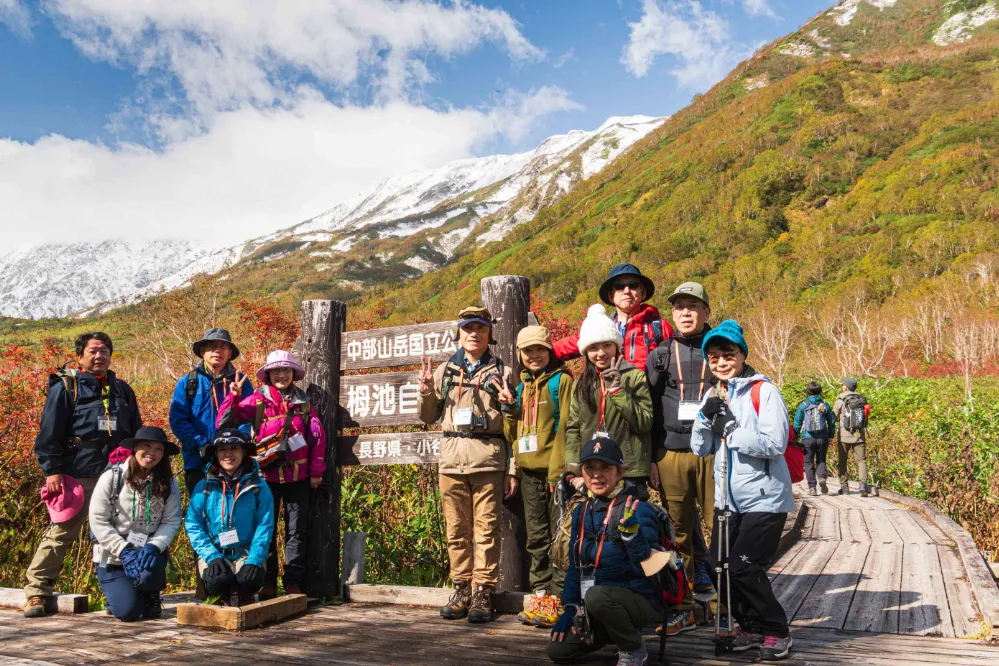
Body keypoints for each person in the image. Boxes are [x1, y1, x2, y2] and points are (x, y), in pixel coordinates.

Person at [690, 320, 794, 662]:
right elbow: (700, 448)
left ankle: (777, 632)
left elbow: (775, 444)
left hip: (765, 499)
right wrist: (704, 420)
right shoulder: (712, 393)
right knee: (716, 565)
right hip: (726, 501)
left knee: (743, 568)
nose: (721, 362)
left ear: (742, 354)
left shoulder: (763, 391)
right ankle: (749, 627)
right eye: (714, 356)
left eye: (728, 354)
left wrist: (730, 428)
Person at [24, 332, 142, 618]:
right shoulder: (67, 388)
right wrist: (52, 471)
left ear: (110, 355)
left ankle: (119, 595)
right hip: (77, 474)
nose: (99, 356)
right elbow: (48, 433)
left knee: (115, 535)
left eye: (104, 351)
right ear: (80, 356)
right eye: (92, 351)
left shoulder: (123, 390)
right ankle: (36, 592)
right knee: (62, 531)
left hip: (117, 476)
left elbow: (137, 434)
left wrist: (138, 470)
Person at [417, 306, 518, 624]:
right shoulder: (444, 370)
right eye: (468, 328)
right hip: (451, 461)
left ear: (489, 333)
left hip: (488, 460)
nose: (474, 333)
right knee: (456, 531)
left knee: (487, 531)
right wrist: (425, 392)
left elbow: (515, 427)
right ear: (459, 333)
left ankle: (483, 593)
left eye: (481, 328)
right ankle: (461, 589)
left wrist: (511, 468)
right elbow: (428, 416)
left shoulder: (503, 371)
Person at [217, 350, 326, 599]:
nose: (281, 374)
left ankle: (293, 581)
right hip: (265, 479)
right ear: (267, 375)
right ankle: (268, 581)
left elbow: (317, 439)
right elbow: (223, 424)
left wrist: (316, 471)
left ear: (292, 374)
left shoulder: (304, 403)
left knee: (297, 531)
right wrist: (232, 398)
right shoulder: (257, 400)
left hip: (298, 478)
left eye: (286, 370)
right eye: (276, 370)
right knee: (265, 529)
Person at [546, 436, 662, 666]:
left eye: (605, 467)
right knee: (558, 651)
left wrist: (633, 538)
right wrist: (570, 608)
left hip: (638, 602)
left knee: (596, 596)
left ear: (619, 472)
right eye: (590, 468)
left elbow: (652, 568)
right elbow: (575, 569)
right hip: (598, 605)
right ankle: (612, 632)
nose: (597, 475)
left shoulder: (635, 508)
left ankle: (633, 648)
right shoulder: (581, 511)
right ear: (582, 473)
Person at [646, 282, 715, 634]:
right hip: (671, 452)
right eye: (678, 307)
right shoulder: (659, 354)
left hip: (714, 454)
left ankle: (726, 604)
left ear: (706, 312)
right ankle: (685, 605)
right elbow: (651, 411)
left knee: (722, 527)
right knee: (679, 533)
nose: (685, 313)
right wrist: (654, 459)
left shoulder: (720, 351)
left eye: (692, 306)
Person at [504, 326, 574, 628]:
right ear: (520, 355)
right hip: (529, 473)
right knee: (536, 538)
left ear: (550, 351)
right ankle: (541, 594)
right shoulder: (521, 387)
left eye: (540, 349)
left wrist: (560, 472)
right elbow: (514, 434)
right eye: (528, 351)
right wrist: (509, 409)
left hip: (554, 474)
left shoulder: (562, 382)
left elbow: (568, 429)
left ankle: (559, 600)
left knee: (560, 538)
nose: (534, 355)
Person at [89, 426, 182, 621]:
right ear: (135, 448)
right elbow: (98, 521)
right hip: (113, 557)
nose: (152, 453)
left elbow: (171, 520)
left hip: (147, 553)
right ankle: (121, 595)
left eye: (159, 449)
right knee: (128, 612)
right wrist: (124, 550)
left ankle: (150, 592)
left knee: (148, 581)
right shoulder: (112, 478)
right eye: (147, 446)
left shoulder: (169, 483)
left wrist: (154, 547)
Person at [565, 304, 653, 491]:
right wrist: (573, 469)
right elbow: (573, 428)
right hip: (593, 470)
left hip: (628, 470)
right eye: (594, 347)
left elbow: (644, 423)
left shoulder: (634, 376)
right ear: (585, 351)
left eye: (607, 345)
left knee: (629, 520)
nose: (601, 353)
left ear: (616, 346)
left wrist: (617, 391)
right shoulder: (581, 384)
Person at [184, 428, 275, 607]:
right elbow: (193, 524)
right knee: (217, 579)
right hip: (216, 552)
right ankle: (223, 593)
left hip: (245, 552)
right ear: (216, 454)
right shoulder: (204, 486)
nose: (228, 454)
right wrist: (211, 556)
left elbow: (265, 526)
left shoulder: (259, 487)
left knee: (251, 578)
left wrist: (254, 559)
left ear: (243, 452)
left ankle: (242, 592)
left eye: (234, 448)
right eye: (222, 450)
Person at [553, 264, 674, 370]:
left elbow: (675, 361)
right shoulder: (603, 326)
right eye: (619, 286)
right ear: (611, 296)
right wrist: (541, 349)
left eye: (633, 285)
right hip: (611, 393)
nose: (626, 290)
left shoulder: (659, 326)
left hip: (649, 395)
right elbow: (570, 344)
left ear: (643, 294)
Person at [793, 382, 835, 496]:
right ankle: (822, 478)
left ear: (808, 391)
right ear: (820, 391)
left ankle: (812, 488)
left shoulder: (803, 405)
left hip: (807, 438)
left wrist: (795, 436)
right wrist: (831, 435)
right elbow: (831, 421)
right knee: (821, 459)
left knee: (808, 462)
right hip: (823, 437)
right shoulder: (825, 405)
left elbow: (797, 422)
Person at [833, 377, 869, 497]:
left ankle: (844, 487)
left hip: (844, 436)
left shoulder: (841, 400)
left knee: (843, 461)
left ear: (846, 387)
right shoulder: (862, 400)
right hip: (859, 435)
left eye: (843, 385)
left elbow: (833, 417)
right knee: (862, 460)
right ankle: (863, 485)